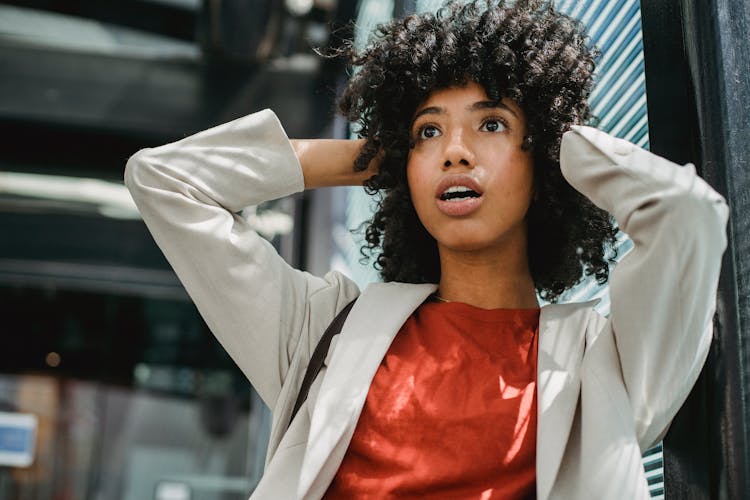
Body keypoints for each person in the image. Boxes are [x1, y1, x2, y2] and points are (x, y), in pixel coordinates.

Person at [124, 1, 728, 498]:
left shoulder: (606, 364)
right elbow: (165, 182)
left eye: (491, 124)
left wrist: (556, 146)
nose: (454, 152)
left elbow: (687, 214)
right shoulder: (325, 331)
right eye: (427, 132)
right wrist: (371, 156)